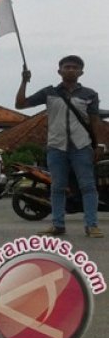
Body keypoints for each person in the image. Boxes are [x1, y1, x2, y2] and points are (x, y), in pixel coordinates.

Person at [16, 55, 104, 238]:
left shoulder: (90, 94)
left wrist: (99, 144)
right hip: (56, 146)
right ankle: (57, 224)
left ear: (81, 72)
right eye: (67, 67)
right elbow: (20, 104)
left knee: (88, 186)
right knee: (57, 187)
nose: (70, 70)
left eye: (74, 67)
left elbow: (95, 121)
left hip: (82, 145)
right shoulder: (49, 92)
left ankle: (92, 225)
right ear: (59, 71)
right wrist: (24, 81)